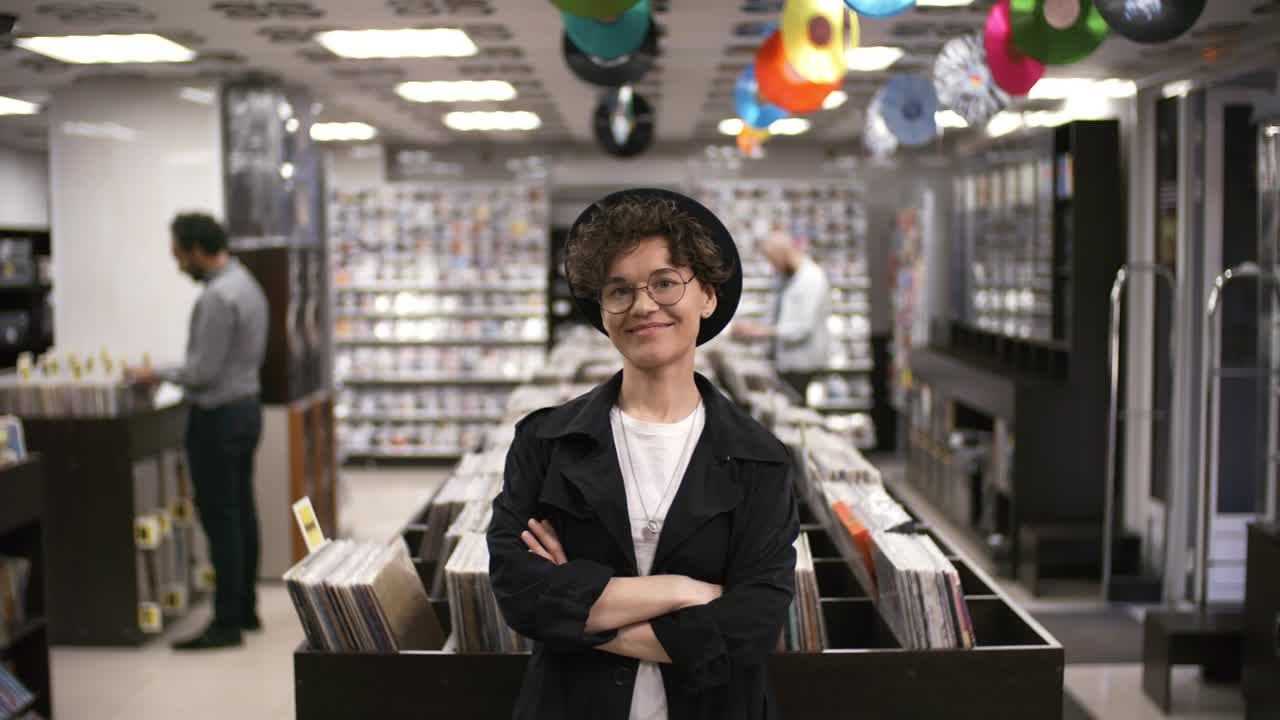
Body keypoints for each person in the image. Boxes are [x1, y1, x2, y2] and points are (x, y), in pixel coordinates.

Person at [487, 189, 799, 720]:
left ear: (707, 296)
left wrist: (578, 614)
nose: (643, 304)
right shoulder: (545, 443)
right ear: (601, 310)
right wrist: (683, 591)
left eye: (665, 282)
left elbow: (752, 623)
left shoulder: (760, 460)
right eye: (619, 289)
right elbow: (520, 592)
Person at [126, 213, 268, 651]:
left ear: (195, 249)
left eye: (178, 256)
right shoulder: (246, 283)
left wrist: (156, 373)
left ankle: (225, 623)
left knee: (220, 517)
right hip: (247, 408)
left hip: (219, 416)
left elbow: (202, 371)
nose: (178, 266)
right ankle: (244, 608)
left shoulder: (215, 298)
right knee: (241, 509)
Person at [732, 231, 832, 401]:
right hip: (785, 362)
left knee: (797, 406)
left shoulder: (811, 279)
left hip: (801, 364)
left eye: (773, 260)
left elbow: (801, 329)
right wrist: (755, 327)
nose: (773, 265)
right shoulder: (786, 278)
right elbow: (778, 315)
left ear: (782, 254)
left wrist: (761, 332)